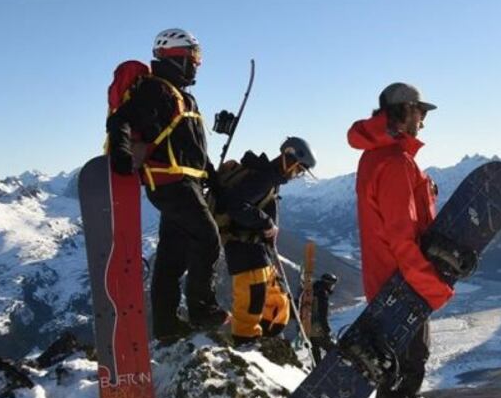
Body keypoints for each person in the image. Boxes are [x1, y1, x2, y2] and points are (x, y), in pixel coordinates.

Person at [347, 82, 453, 398]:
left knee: (414, 356)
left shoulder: (385, 157)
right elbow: (401, 235)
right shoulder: (392, 162)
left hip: (397, 278)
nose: (424, 119)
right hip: (400, 281)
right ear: (404, 110)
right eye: (420, 110)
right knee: (401, 361)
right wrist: (431, 285)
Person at [105, 28, 226, 340]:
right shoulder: (157, 91)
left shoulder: (181, 96)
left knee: (173, 256)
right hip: (172, 183)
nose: (198, 64)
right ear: (176, 57)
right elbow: (122, 120)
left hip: (186, 181)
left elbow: (191, 147)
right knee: (207, 237)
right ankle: (202, 309)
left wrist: (210, 175)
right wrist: (120, 151)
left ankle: (167, 324)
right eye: (194, 58)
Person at [217, 138, 316, 344]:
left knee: (272, 297)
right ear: (290, 159)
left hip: (254, 248)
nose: (296, 175)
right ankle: (245, 340)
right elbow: (236, 206)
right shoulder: (263, 179)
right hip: (245, 248)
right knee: (253, 298)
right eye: (298, 170)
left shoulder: (267, 178)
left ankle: (261, 333)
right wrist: (267, 223)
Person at [308, 272, 338, 363]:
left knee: (315, 348)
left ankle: (317, 368)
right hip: (317, 327)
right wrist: (327, 329)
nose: (333, 287)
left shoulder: (313, 290)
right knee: (332, 350)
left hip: (307, 324)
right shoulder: (322, 294)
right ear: (328, 284)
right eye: (332, 284)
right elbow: (322, 315)